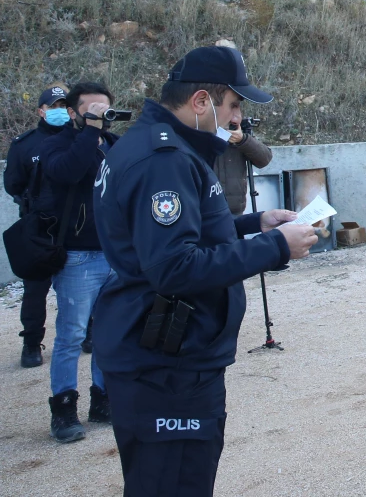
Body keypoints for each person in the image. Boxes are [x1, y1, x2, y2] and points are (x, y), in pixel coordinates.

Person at [92, 46, 318, 496]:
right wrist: (274, 248)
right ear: (200, 101)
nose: (236, 120)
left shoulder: (163, 147)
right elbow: (174, 267)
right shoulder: (165, 160)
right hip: (165, 366)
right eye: (233, 106)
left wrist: (255, 223)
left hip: (167, 354)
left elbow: (171, 238)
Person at [33, 82, 121, 442]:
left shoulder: (114, 145)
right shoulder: (56, 144)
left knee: (108, 333)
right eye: (91, 110)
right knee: (70, 336)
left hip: (114, 253)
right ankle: (64, 410)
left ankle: (103, 400)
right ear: (73, 112)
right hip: (78, 257)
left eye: (105, 109)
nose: (100, 115)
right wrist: (90, 132)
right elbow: (68, 171)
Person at [4, 85, 69, 368]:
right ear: (41, 111)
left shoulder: (78, 139)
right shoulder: (24, 145)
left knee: (81, 286)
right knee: (35, 290)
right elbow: (13, 185)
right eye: (53, 106)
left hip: (72, 226)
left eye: (64, 106)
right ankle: (31, 343)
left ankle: (88, 332)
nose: (60, 112)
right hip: (38, 229)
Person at [212, 115, 272, 215]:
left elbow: (264, 159)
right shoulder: (200, 129)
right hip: (205, 210)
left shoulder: (236, 131)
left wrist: (243, 139)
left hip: (234, 210)